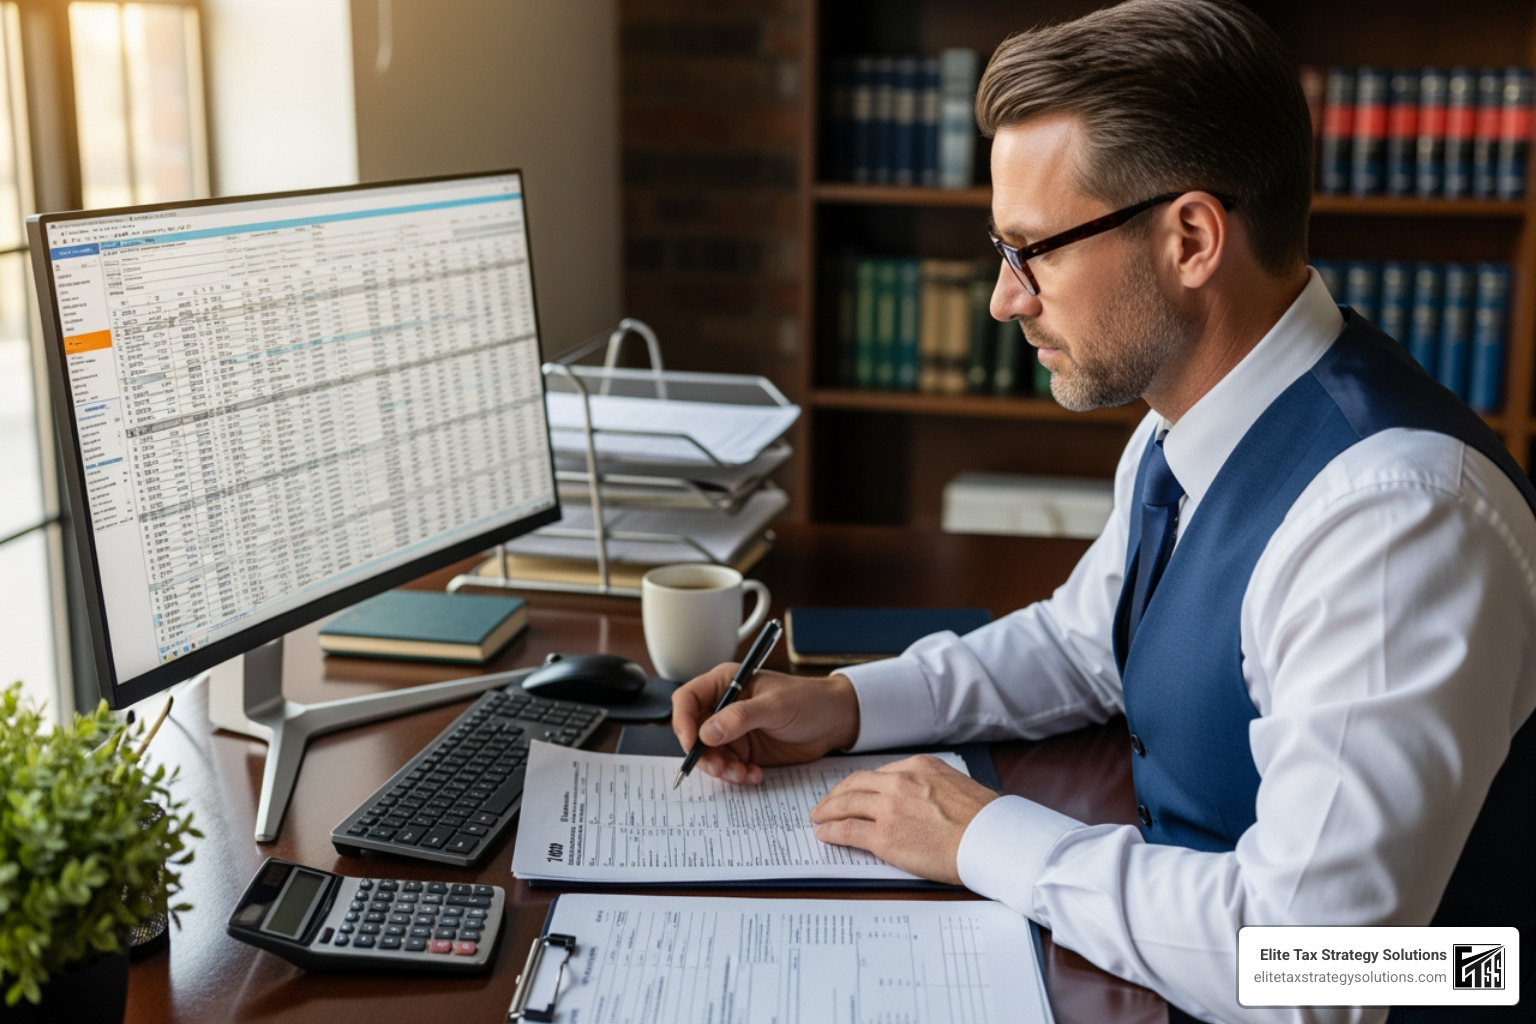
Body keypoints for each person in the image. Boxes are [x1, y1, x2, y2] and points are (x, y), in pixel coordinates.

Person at [671, 2, 1536, 1022]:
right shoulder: (1190, 427)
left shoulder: (1397, 522)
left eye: (1034, 247)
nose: (1003, 297)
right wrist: (847, 704)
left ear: (1192, 238)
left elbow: (1324, 967)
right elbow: (1088, 643)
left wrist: (983, 836)